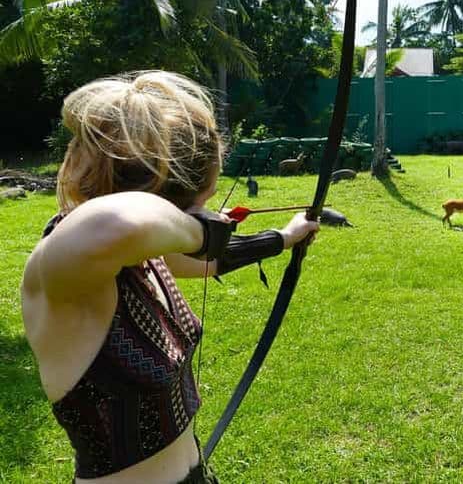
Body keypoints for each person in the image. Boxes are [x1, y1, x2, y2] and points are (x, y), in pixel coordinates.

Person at [20, 71, 319, 483]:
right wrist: (202, 232)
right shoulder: (71, 264)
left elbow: (213, 260)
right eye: (205, 201)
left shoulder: (140, 258)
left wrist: (284, 238)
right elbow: (120, 224)